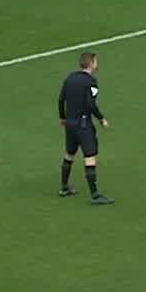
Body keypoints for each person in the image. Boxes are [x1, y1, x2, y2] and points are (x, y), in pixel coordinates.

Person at [57, 51, 112, 204]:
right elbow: (90, 104)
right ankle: (95, 195)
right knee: (90, 156)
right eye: (96, 61)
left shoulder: (70, 78)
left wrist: (62, 117)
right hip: (83, 124)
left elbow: (61, 99)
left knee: (69, 154)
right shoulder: (90, 82)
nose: (97, 64)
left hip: (70, 123)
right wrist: (101, 119)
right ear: (91, 63)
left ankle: (64, 187)